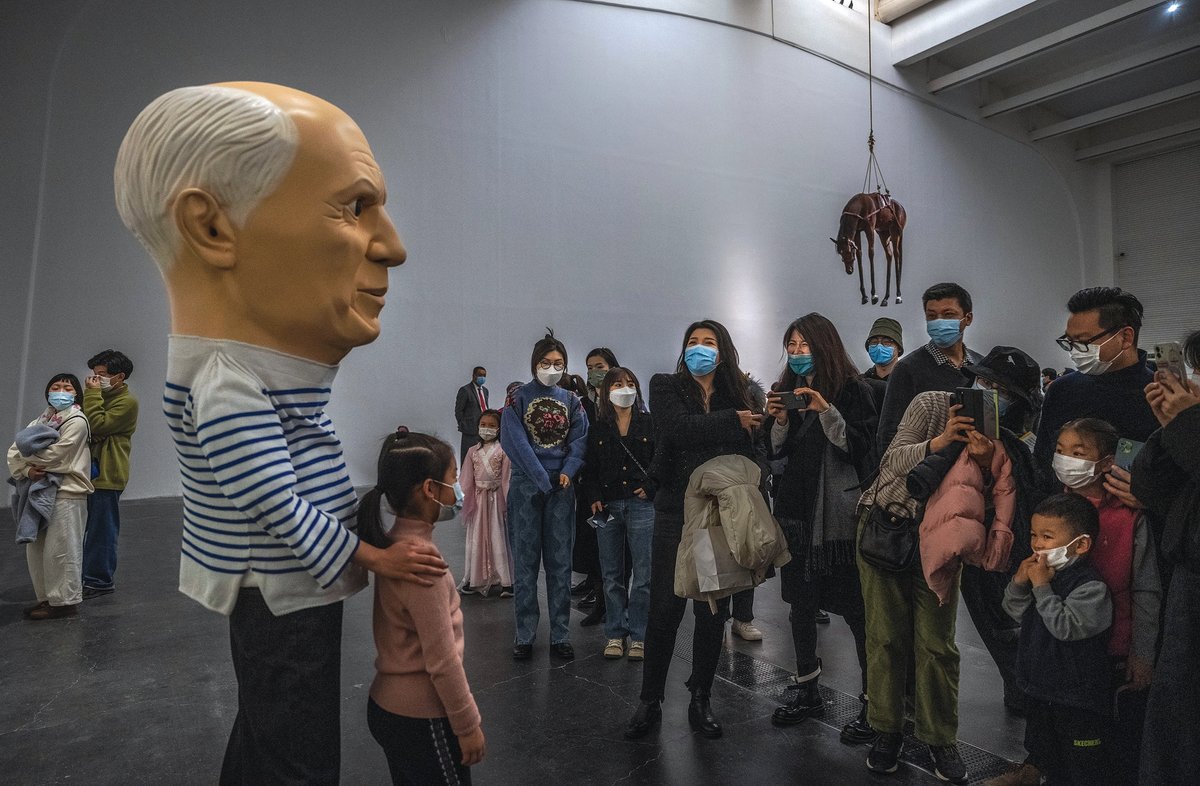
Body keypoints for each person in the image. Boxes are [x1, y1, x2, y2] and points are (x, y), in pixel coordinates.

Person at [115, 82, 448, 782]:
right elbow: (274, 503)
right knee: (296, 753)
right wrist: (377, 557)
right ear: (211, 228)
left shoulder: (242, 376)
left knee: (267, 728)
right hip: (283, 592)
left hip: (290, 589)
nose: (391, 245)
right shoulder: (228, 382)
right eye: (354, 206)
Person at [625, 319, 764, 741]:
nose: (699, 349)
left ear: (722, 353)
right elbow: (676, 429)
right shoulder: (665, 384)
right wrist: (733, 422)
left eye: (708, 343)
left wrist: (748, 423)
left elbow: (748, 448)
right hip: (674, 512)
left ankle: (701, 696)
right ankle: (650, 700)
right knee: (664, 609)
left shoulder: (736, 394)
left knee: (711, 611)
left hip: (717, 516)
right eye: (692, 341)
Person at [763, 314, 878, 745]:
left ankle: (873, 702)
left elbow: (859, 448)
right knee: (801, 607)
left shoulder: (853, 390)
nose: (795, 352)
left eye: (803, 345)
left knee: (856, 611)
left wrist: (825, 409)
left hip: (839, 525)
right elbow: (775, 458)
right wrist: (777, 420)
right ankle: (808, 688)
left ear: (823, 345)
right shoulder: (785, 391)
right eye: (790, 345)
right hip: (796, 516)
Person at [858, 390, 982, 783]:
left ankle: (940, 737)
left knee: (936, 643)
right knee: (885, 638)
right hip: (889, 525)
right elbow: (892, 460)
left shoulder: (1005, 430)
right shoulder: (931, 404)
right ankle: (886, 731)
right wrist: (940, 442)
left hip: (942, 540)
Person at [357, 429, 485, 785]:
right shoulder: (421, 562)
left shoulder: (396, 546)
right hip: (422, 716)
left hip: (390, 707)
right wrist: (468, 724)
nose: (458, 489)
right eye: (453, 479)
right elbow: (442, 660)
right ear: (430, 490)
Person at [1051, 418, 1159, 785]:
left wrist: (1142, 653)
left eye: (1078, 453)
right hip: (1058, 646)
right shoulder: (1053, 509)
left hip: (1110, 646)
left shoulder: (1131, 517)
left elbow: (1146, 588)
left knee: (1099, 743)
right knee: (1057, 733)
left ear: (1107, 463)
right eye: (1060, 451)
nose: (1066, 460)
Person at [1002, 494, 1114, 786]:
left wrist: (1041, 587)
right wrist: (1019, 582)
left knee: (1078, 765)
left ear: (1080, 544)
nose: (1038, 544)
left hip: (1077, 697)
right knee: (1042, 749)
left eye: (1048, 536)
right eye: (1034, 535)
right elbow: (1014, 611)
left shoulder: (1091, 587)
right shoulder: (1044, 576)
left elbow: (1065, 627)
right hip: (1041, 688)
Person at [1130, 330, 1200, 785]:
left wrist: (1190, 426)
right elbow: (1151, 490)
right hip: (1188, 587)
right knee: (1177, 721)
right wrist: (1167, 428)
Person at [500, 331, 588, 661]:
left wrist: (569, 469)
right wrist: (540, 476)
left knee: (560, 564)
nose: (552, 368)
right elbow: (514, 440)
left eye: (559, 363)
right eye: (546, 362)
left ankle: (561, 634)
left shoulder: (572, 400)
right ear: (535, 363)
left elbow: (580, 438)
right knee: (524, 563)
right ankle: (525, 634)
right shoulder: (517, 398)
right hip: (527, 486)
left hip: (562, 488)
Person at [1035, 288, 1157, 505]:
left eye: (1083, 342)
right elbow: (1043, 461)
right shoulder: (1062, 391)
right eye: (1069, 342)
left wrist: (1153, 498)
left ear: (1125, 337)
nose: (1074, 351)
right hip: (1065, 520)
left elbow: (1184, 477)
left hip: (1141, 527)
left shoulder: (1160, 395)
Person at [584, 367, 655, 660]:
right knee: (611, 574)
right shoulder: (599, 427)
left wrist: (651, 486)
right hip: (608, 506)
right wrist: (594, 496)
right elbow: (589, 470)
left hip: (642, 505)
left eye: (630, 383)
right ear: (606, 391)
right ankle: (615, 633)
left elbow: (663, 460)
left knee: (644, 574)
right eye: (617, 384)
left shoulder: (650, 423)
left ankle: (639, 635)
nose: (624, 389)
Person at [8, 373, 93, 620]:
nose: (61, 391)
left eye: (67, 387)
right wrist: (26, 470)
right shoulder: (41, 420)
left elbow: (58, 456)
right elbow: (14, 450)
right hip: (40, 492)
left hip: (67, 492)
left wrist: (27, 459)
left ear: (76, 393)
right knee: (38, 549)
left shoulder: (77, 421)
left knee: (62, 548)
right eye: (56, 386)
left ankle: (65, 602)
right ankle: (47, 599)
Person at [875, 282, 982, 457]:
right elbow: (888, 435)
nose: (939, 322)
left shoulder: (981, 367)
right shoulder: (908, 368)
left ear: (967, 318)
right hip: (925, 473)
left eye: (948, 315)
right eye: (932, 316)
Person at [80, 349, 138, 598]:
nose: (96, 380)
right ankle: (84, 576)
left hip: (107, 473)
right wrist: (94, 427)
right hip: (85, 472)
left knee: (102, 531)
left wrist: (92, 399)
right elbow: (84, 425)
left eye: (102, 375)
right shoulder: (99, 398)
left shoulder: (127, 402)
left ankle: (99, 581)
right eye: (94, 375)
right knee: (85, 529)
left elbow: (93, 424)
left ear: (120, 376)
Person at [459, 409, 513, 597]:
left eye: (491, 426)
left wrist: (508, 503)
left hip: (497, 499)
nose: (487, 429)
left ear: (499, 429)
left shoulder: (504, 451)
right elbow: (466, 479)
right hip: (478, 500)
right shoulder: (472, 451)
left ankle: (505, 580)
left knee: (498, 536)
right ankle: (475, 578)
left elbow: (506, 479)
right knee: (477, 537)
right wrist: (463, 500)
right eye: (483, 425)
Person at [862, 316, 904, 418]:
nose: (879, 347)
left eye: (887, 342)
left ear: (898, 348)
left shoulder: (907, 381)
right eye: (874, 342)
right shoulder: (861, 383)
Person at [454, 366, 490, 463]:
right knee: (467, 458)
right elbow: (458, 411)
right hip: (470, 431)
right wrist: (463, 425)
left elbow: (485, 407)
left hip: (484, 430)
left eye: (484, 375)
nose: (482, 377)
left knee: (481, 459)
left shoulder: (485, 391)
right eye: (480, 375)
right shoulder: (465, 390)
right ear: (474, 376)